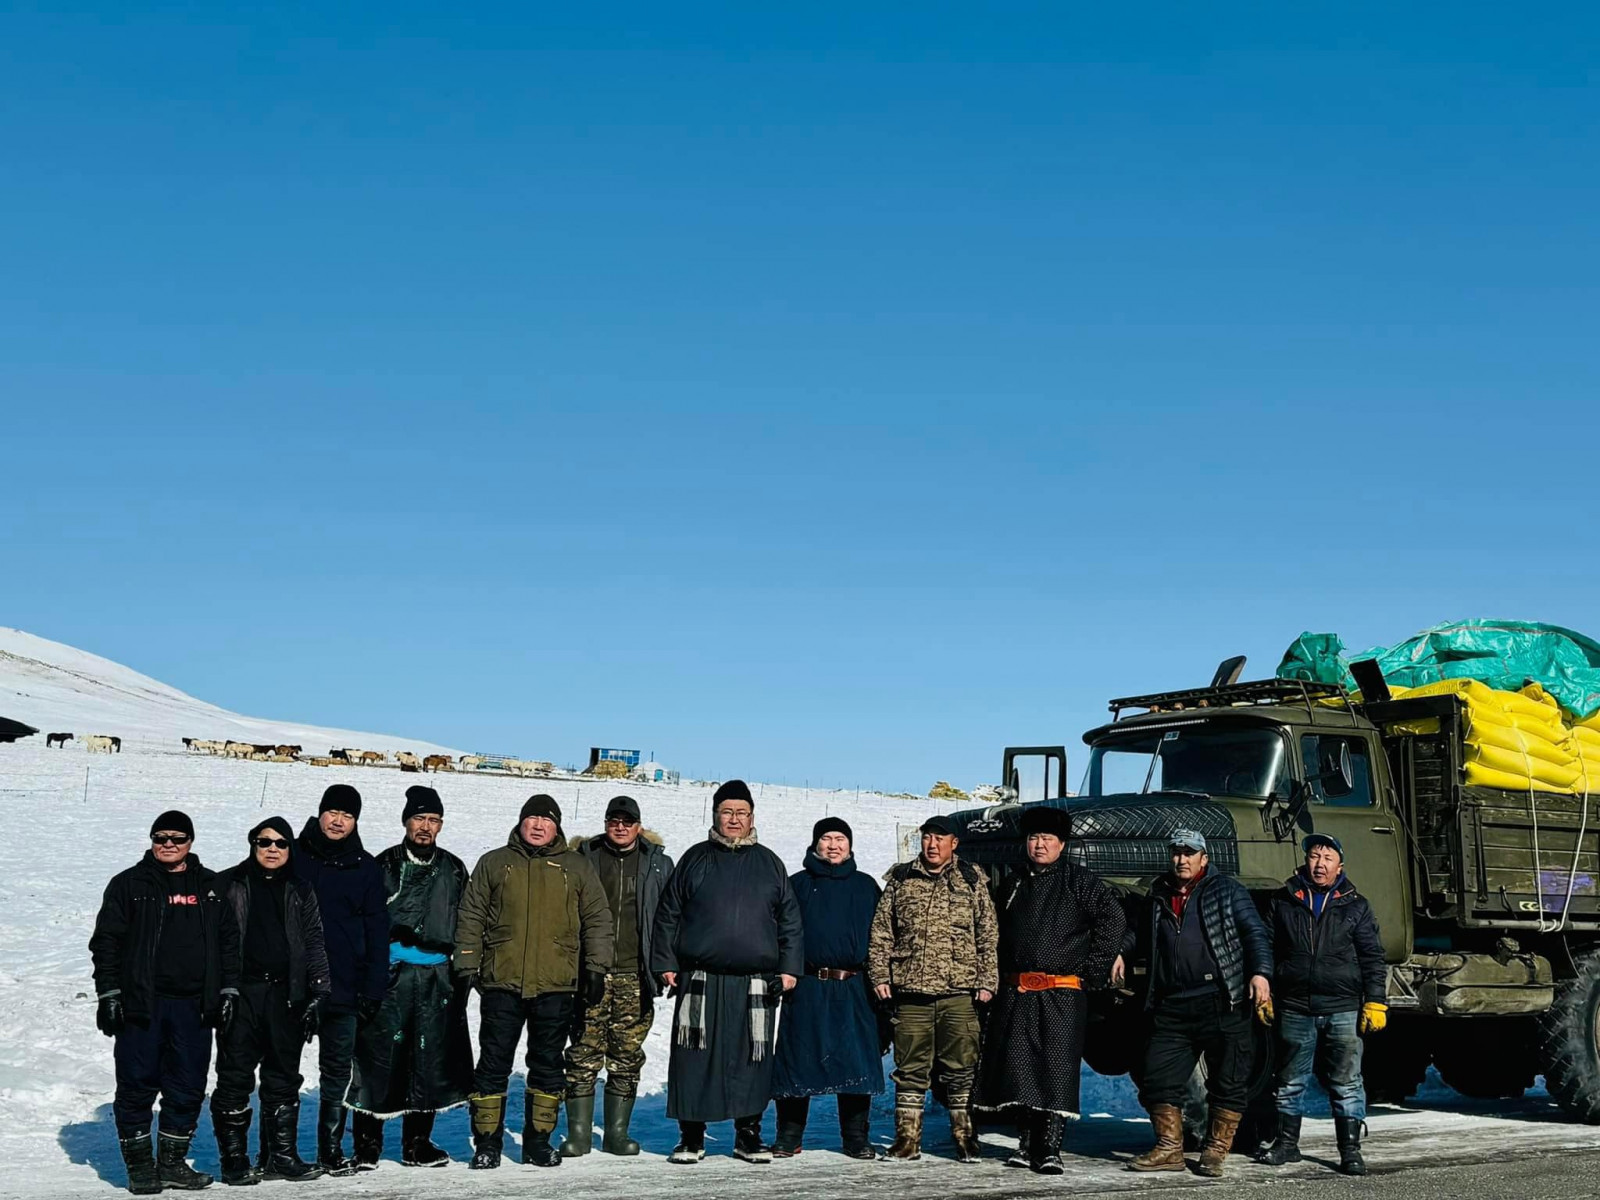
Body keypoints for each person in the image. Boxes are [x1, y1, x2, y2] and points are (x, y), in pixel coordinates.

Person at [454, 794, 613, 1170]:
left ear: (557, 826)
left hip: (557, 984)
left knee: (546, 1064)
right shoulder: (494, 863)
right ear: (521, 821)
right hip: (501, 982)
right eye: (532, 818)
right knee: (493, 1063)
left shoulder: (576, 867)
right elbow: (471, 916)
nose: (538, 826)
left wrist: (595, 968)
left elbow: (597, 919)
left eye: (546, 820)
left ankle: (538, 1141)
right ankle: (488, 1142)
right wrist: (465, 965)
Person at [650, 779, 804, 1165]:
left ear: (752, 817)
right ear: (715, 814)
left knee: (751, 1061)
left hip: (754, 983)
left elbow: (789, 921)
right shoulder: (695, 858)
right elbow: (668, 913)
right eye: (726, 812)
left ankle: (748, 1136)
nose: (734, 819)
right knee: (693, 1058)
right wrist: (666, 962)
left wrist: (789, 968)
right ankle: (691, 1137)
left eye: (741, 813)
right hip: (700, 979)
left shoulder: (769, 862)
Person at [90, 811, 240, 1194]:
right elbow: (106, 942)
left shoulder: (210, 886)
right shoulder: (129, 884)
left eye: (177, 837)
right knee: (137, 1084)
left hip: (195, 1007)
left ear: (191, 841)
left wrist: (227, 991)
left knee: (188, 1086)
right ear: (152, 839)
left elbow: (229, 944)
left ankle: (171, 1164)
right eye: (161, 837)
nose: (168, 844)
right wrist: (109, 994)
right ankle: (140, 1167)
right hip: (143, 1004)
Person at [973, 806, 1127, 1174]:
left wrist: (1093, 968)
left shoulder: (1080, 881)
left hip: (1062, 991)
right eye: (1033, 838)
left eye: (1047, 839)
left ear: (1061, 844)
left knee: (1055, 1070)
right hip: (1019, 991)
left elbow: (1113, 919)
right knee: (1021, 1070)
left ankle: (1050, 1149)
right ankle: (1026, 1146)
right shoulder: (1013, 882)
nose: (1039, 845)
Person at [1128, 829, 1273, 1178]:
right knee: (1157, 1077)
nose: (1182, 859)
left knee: (1228, 1080)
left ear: (1204, 858)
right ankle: (1169, 1149)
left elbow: (1255, 933)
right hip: (1172, 1003)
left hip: (1222, 999)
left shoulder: (1228, 890)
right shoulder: (1159, 892)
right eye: (1177, 852)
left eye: (1189, 853)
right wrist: (1120, 951)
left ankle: (1215, 1151)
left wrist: (1261, 973)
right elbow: (1141, 934)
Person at [347, 785, 474, 1168]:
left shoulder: (453, 867)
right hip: (391, 974)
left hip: (437, 976)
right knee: (378, 1057)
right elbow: (364, 922)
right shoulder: (382, 864)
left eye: (433, 820)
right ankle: (367, 1144)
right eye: (419, 818)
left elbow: (465, 921)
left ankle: (418, 1142)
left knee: (429, 1059)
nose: (425, 827)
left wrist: (462, 971)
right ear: (406, 821)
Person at [867, 814, 998, 1163]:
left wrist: (987, 980)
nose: (932, 844)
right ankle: (907, 1140)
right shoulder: (900, 879)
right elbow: (882, 933)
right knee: (910, 1069)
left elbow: (987, 934)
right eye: (927, 838)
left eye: (940, 839)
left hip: (959, 992)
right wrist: (880, 976)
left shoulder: (971, 879)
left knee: (962, 1068)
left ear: (954, 843)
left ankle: (965, 1138)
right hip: (912, 993)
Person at [1257, 833, 1386, 1176]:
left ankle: (1350, 1151)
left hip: (1343, 1007)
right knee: (1290, 1080)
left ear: (1339, 866)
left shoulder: (1356, 905)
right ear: (1305, 861)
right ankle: (1286, 1145)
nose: (1320, 863)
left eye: (1328, 858)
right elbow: (1266, 948)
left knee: (1346, 1082)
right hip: (1295, 1005)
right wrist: (1264, 985)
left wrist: (1375, 1001)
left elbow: (1372, 956)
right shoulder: (1283, 901)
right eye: (1315, 856)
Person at [213, 816, 332, 1184]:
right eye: (265, 842)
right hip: (241, 993)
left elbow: (314, 940)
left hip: (286, 993)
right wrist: (218, 989)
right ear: (253, 844)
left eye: (281, 843)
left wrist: (319, 991)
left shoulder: (300, 887)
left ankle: (281, 1156)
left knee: (283, 1076)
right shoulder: (227, 883)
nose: (272, 849)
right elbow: (210, 942)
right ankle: (234, 1160)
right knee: (234, 1076)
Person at [562, 794, 675, 1157]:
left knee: (626, 1055)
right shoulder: (583, 858)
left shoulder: (659, 865)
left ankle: (616, 1134)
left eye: (628, 821)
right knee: (582, 1052)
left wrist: (667, 963)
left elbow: (671, 918)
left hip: (635, 974)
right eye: (614, 820)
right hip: (590, 973)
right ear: (606, 823)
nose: (621, 827)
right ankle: (578, 1136)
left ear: (639, 826)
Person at [769, 817, 884, 1160]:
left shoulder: (866, 886)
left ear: (850, 845)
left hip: (853, 987)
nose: (833, 845)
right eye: (826, 838)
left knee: (855, 1062)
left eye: (840, 839)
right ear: (815, 844)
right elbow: (781, 932)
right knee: (796, 1060)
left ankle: (855, 1137)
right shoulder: (797, 885)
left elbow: (882, 937)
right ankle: (789, 1135)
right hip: (807, 984)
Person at [294, 784, 389, 1176]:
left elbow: (377, 930)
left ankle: (330, 1149)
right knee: (281, 1071)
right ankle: (274, 1150)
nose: (338, 820)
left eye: (347, 815)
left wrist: (373, 986)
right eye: (332, 812)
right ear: (319, 814)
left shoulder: (364, 867)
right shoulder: (292, 857)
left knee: (337, 1072)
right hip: (293, 987)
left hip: (345, 986)